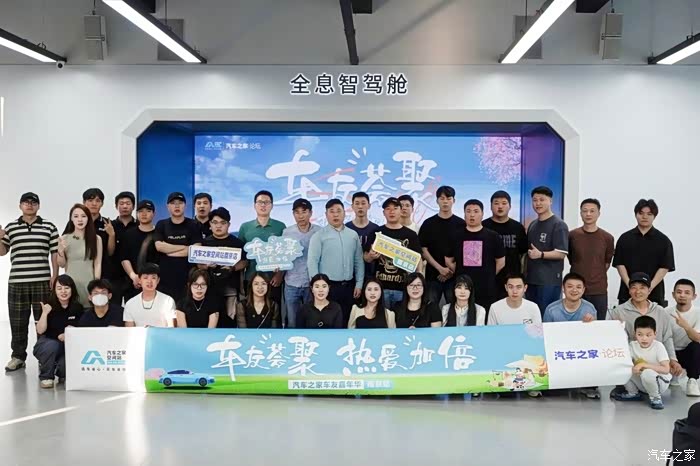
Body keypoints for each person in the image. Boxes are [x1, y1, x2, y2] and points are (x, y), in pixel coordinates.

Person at [0, 192, 59, 372]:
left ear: (38, 206)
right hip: (17, 282)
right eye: (26, 202)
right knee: (17, 322)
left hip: (42, 281)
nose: (30, 205)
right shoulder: (11, 228)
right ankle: (18, 357)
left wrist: (55, 275)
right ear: (20, 206)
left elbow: (55, 253)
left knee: (43, 321)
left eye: (33, 202)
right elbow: (2, 252)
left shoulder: (49, 227)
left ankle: (44, 356)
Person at [307, 199, 364, 324]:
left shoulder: (353, 235)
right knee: (328, 321)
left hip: (349, 286)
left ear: (344, 213)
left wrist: (359, 284)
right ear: (326, 215)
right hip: (328, 287)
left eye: (339, 211)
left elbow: (358, 261)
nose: (335, 214)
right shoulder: (319, 236)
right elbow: (312, 262)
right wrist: (317, 287)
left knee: (347, 321)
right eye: (331, 211)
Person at [607, 273, 677, 369]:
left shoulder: (660, 311)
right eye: (633, 287)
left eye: (642, 287)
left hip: (658, 363)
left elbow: (667, 338)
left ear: (649, 290)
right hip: (631, 362)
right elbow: (613, 339)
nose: (638, 291)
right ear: (629, 291)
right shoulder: (618, 312)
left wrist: (673, 360)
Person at [445, 199, 505, 313]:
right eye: (468, 211)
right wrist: (459, 271)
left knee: (485, 316)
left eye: (476, 211)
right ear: (464, 214)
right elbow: (448, 259)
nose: (472, 215)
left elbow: (501, 262)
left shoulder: (493, 236)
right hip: (463, 287)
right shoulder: (456, 235)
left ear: (482, 214)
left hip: (486, 287)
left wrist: (489, 274)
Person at [613, 199, 675, 306]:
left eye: (649, 214)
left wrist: (649, 287)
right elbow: (619, 263)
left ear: (654, 216)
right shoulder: (625, 238)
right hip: (627, 291)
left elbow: (665, 266)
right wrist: (630, 285)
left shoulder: (663, 240)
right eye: (641, 213)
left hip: (654, 292)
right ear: (635, 215)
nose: (644, 217)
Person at [366, 197, 421, 310]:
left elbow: (418, 259)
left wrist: (419, 279)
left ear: (401, 211)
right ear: (383, 213)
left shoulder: (411, 235)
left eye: (395, 208)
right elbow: (365, 258)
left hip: (403, 288)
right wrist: (370, 256)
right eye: (388, 209)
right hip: (380, 288)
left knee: (401, 319)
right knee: (382, 319)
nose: (391, 212)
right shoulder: (376, 233)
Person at [32, 275, 83, 388]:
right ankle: (46, 376)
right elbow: (40, 330)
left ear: (72, 289)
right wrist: (45, 313)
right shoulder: (48, 306)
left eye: (67, 288)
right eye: (59, 288)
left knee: (64, 368)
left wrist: (69, 334)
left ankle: (58, 370)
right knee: (52, 345)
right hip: (47, 344)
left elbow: (80, 330)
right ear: (54, 290)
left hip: (66, 346)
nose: (63, 291)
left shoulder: (77, 308)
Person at [568, 198, 615, 320]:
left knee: (598, 323)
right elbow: (571, 258)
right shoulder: (572, 235)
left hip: (598, 289)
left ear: (599, 213)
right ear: (580, 213)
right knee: (575, 323)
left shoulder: (607, 237)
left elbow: (607, 263)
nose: (588, 214)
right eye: (585, 211)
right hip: (576, 289)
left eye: (592, 211)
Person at [238, 190, 286, 308]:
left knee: (274, 310)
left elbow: (285, 254)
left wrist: (279, 275)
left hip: (273, 279)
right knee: (251, 310)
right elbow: (241, 256)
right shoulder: (245, 227)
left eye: (266, 202)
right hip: (251, 278)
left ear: (272, 205)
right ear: (254, 205)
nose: (263, 205)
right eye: (260, 202)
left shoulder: (280, 226)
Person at [525, 186, 569, 315]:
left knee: (547, 316)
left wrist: (541, 254)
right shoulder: (533, 224)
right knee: (532, 317)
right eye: (535, 200)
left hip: (549, 281)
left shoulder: (558, 224)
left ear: (550, 201)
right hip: (531, 280)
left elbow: (561, 253)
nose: (538, 203)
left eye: (542, 200)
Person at [200, 207, 247, 328]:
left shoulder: (237, 243)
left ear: (228, 224)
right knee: (210, 323)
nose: (218, 226)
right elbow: (198, 264)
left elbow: (245, 262)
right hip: (209, 289)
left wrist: (232, 268)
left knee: (229, 322)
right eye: (215, 222)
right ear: (210, 224)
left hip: (230, 290)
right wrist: (206, 266)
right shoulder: (204, 243)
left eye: (222, 222)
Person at [612, 316, 672, 410]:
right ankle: (633, 393)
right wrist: (618, 328)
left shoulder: (658, 346)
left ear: (655, 334)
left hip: (660, 382)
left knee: (647, 372)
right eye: (640, 335)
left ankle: (655, 398)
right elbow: (623, 360)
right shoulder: (632, 345)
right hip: (642, 382)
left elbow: (666, 369)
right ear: (635, 334)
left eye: (648, 335)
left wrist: (644, 365)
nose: (644, 338)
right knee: (624, 368)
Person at [419, 186, 465, 306]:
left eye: (448, 198)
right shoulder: (428, 223)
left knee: (455, 309)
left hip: (455, 277)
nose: (445, 202)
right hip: (432, 276)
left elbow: (464, 251)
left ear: (454, 201)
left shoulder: (461, 224)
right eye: (442, 198)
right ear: (437, 200)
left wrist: (451, 270)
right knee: (430, 308)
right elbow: (423, 249)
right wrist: (440, 268)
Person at [154, 192, 201, 302]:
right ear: (168, 206)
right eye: (173, 203)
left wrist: (169, 251)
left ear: (185, 205)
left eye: (180, 203)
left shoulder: (193, 224)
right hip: (166, 277)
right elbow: (159, 247)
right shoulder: (162, 224)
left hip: (188, 277)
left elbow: (195, 250)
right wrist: (185, 247)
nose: (177, 206)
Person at [281, 199, 320, 328]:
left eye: (304, 212)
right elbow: (282, 257)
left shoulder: (319, 232)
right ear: (293, 214)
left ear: (311, 213)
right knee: (292, 321)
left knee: (311, 320)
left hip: (312, 283)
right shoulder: (287, 232)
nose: (300, 215)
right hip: (291, 283)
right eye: (297, 212)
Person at [482, 190, 528, 301]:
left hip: (511, 279)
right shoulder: (483, 226)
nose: (500, 206)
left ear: (510, 206)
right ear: (491, 206)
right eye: (496, 203)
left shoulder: (518, 227)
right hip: (488, 277)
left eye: (504, 203)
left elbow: (523, 253)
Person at [57, 204, 102, 307]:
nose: (80, 220)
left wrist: (96, 284)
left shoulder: (96, 239)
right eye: (76, 216)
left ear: (88, 218)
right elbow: (62, 264)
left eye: (83, 216)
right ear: (71, 219)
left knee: (88, 311)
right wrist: (60, 251)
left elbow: (98, 263)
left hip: (89, 282)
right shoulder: (64, 238)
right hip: (70, 283)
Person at [666, 279, 700, 397]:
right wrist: (672, 359)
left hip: (688, 353)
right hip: (669, 354)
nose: (682, 295)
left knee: (697, 346)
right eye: (679, 292)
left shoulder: (698, 313)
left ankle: (692, 381)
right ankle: (671, 375)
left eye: (687, 292)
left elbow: (698, 338)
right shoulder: (665, 312)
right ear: (673, 294)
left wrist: (686, 326)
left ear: (694, 296)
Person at [120, 200, 159, 302]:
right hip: (133, 284)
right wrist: (133, 276)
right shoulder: (129, 234)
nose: (144, 214)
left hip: (155, 284)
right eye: (141, 211)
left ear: (154, 213)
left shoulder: (159, 233)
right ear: (136, 214)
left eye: (148, 211)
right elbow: (124, 258)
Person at [123, 263, 176, 328]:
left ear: (158, 280)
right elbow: (129, 330)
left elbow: (171, 328)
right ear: (139, 280)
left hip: (162, 334)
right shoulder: (130, 303)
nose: (149, 281)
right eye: (145, 278)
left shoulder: (168, 301)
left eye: (153, 278)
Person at [83, 188, 116, 288]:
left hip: (104, 271)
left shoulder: (108, 223)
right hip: (82, 268)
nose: (94, 204)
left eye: (98, 201)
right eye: (90, 200)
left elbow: (110, 252)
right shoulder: (77, 222)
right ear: (84, 202)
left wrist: (111, 235)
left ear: (102, 203)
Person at [111, 191, 138, 306]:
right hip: (113, 276)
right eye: (121, 203)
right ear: (116, 206)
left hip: (134, 276)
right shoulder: (110, 225)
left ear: (133, 206)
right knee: (114, 309)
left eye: (128, 203)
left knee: (134, 308)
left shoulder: (139, 226)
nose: (125, 206)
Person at [346, 191, 380, 280]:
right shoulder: (346, 228)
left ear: (369, 206)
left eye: (363, 203)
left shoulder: (376, 229)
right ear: (352, 206)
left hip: (370, 276)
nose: (360, 206)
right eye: (357, 203)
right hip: (350, 276)